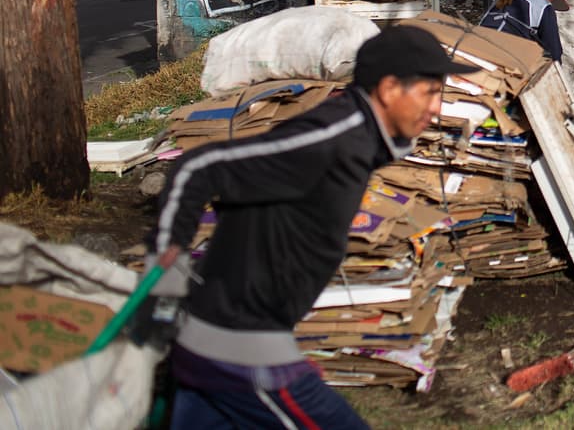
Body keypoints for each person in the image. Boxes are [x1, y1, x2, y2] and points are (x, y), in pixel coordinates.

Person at [145, 24, 476, 429]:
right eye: (430, 92)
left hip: (220, 339)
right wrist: (164, 279)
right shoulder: (332, 136)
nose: (437, 108)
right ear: (390, 90)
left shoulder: (358, 137)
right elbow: (197, 167)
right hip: (240, 347)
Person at [479, 0, 571, 62]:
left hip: (477, 48)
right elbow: (554, 51)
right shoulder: (544, 6)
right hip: (503, 58)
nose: (552, 0)